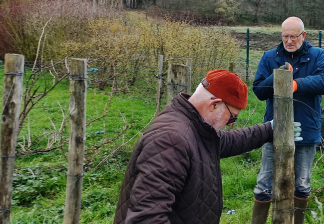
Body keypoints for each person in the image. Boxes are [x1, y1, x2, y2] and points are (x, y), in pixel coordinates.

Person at [114, 70, 281, 224]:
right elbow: (147, 219)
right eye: (232, 118)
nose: (229, 124)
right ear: (214, 104)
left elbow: (228, 140)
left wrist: (268, 129)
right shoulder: (170, 140)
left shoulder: (192, 127)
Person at [252, 17, 324, 224]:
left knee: (302, 184)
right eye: (285, 36)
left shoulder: (317, 55)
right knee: (264, 183)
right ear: (281, 35)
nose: (289, 41)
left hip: (306, 129)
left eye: (293, 36)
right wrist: (279, 77)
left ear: (303, 35)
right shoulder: (270, 57)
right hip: (274, 129)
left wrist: (296, 83)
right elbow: (259, 90)